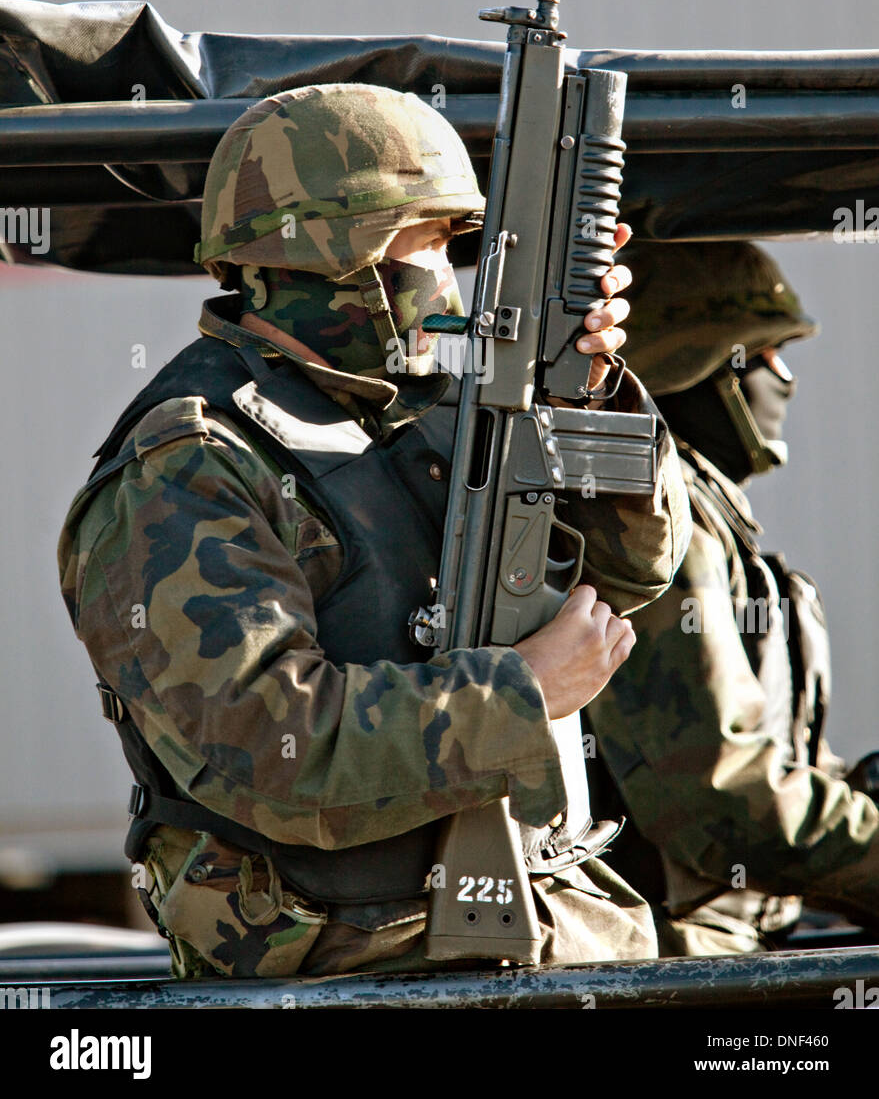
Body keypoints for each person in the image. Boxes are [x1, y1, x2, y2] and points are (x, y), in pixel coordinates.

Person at [58, 84, 690, 978]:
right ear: (324, 252)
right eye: (422, 242)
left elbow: (629, 578)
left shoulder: (442, 411)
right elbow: (268, 753)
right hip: (353, 965)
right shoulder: (190, 465)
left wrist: (584, 396)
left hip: (559, 932)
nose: (445, 277)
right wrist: (520, 696)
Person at [586, 239, 879, 956]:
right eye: (767, 353)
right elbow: (718, 795)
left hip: (738, 934)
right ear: (700, 363)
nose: (784, 379)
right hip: (678, 951)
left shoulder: (700, 509)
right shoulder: (659, 521)